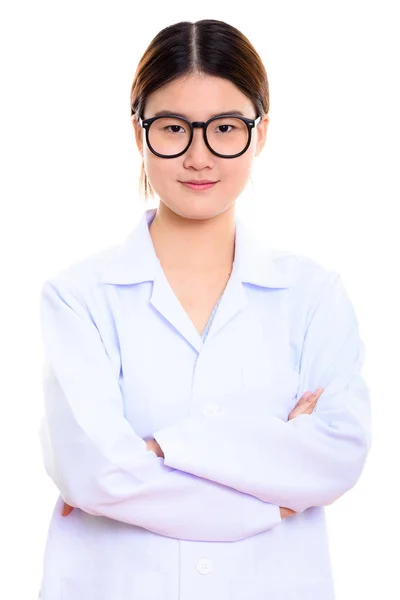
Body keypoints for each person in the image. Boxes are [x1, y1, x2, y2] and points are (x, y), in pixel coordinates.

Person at [37, 19, 372, 600]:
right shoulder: (79, 297)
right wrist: (273, 494)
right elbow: (96, 474)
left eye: (225, 128)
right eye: (173, 128)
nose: (198, 156)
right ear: (139, 132)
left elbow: (336, 457)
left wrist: (161, 450)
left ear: (260, 132)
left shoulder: (313, 296)